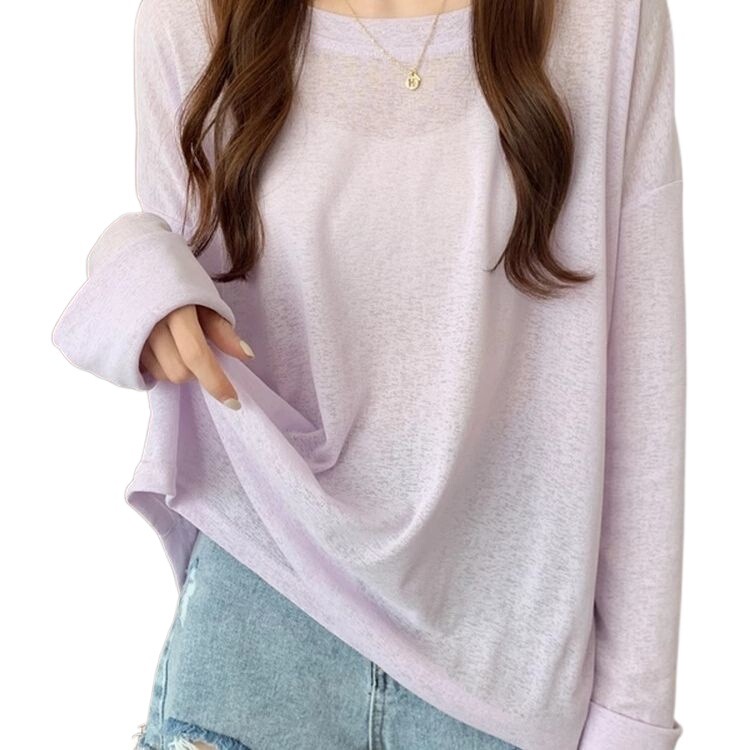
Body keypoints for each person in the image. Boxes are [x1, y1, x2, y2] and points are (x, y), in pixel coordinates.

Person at [51, 0, 687, 748]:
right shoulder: (195, 17)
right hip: (256, 636)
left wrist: (632, 722)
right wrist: (133, 271)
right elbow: (167, 263)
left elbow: (645, 399)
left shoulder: (607, 19)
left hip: (505, 682)